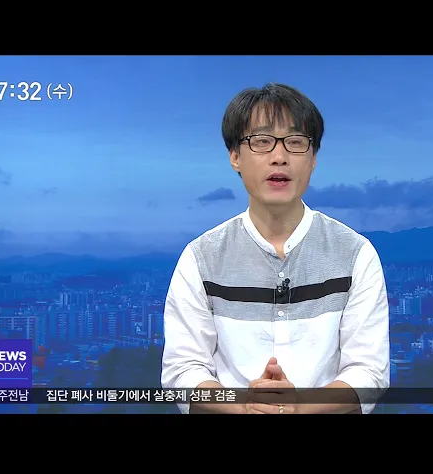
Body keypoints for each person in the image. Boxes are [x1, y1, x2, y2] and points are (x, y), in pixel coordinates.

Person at [161, 83, 390, 414]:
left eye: (295, 142)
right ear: (235, 157)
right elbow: (182, 371)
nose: (279, 157)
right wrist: (244, 408)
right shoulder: (201, 258)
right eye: (262, 141)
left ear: (313, 159)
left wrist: (299, 409)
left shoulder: (355, 254)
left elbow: (369, 373)